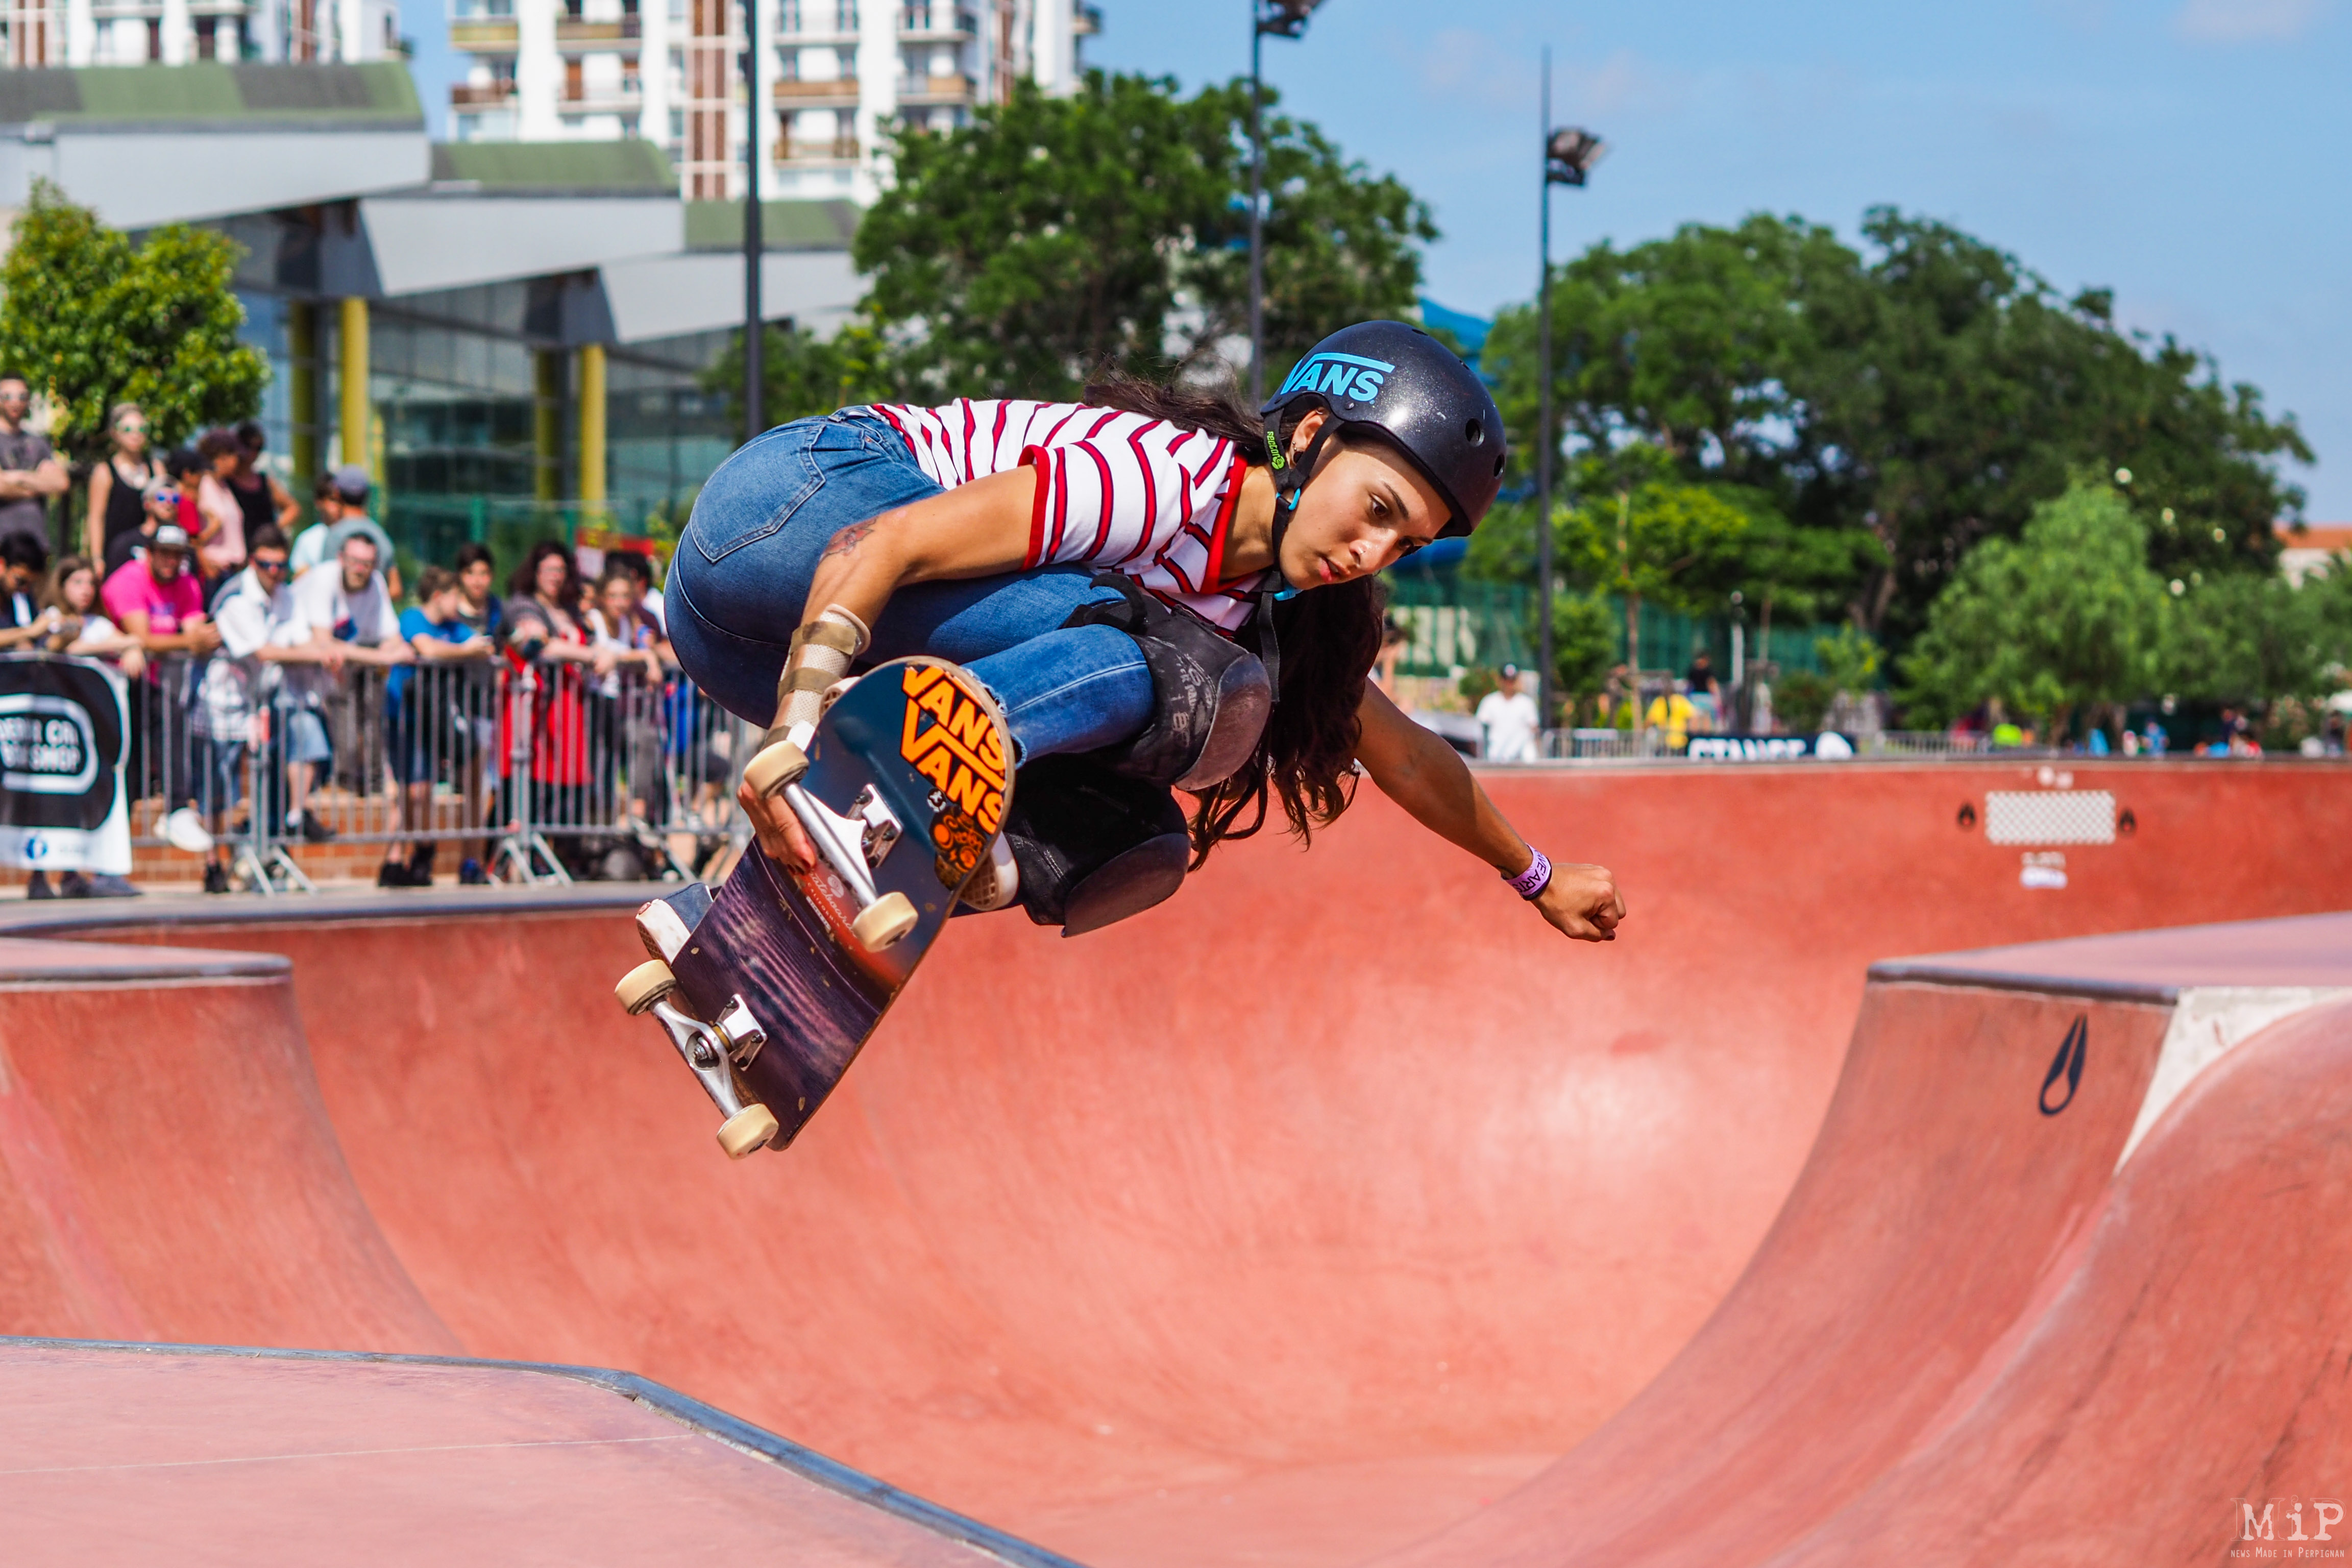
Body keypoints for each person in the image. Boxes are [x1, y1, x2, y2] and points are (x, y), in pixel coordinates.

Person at [668, 319, 1625, 942]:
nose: (1371, 552)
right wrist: (794, 738)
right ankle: (922, 773)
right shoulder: (1165, 477)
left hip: (733, 653)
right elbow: (883, 540)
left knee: (1136, 842)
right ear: (1307, 441)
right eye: (1375, 507)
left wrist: (1534, 875)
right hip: (782, 517)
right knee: (1198, 679)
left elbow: (1410, 759)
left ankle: (823, 896)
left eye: (1403, 543)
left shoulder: (1263, 617)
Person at [280, 531, 412, 842]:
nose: (360, 568)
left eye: (367, 563)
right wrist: (379, 655)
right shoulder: (323, 580)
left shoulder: (375, 584)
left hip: (322, 681)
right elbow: (324, 642)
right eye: (354, 561)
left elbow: (390, 635)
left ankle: (296, 818)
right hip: (289, 678)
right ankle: (290, 819)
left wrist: (395, 648)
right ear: (341, 559)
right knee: (307, 750)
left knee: (317, 749)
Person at [380, 564, 495, 886]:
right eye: (455, 596)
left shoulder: (452, 626)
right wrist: (462, 652)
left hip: (436, 719)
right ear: (440, 595)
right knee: (411, 792)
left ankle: (423, 855)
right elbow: (427, 648)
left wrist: (466, 649)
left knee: (425, 791)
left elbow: (483, 646)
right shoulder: (414, 618)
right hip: (405, 715)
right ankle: (405, 855)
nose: (459, 604)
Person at [291, 465, 402, 600]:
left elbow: (327, 585)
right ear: (367, 495)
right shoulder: (382, 537)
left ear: (337, 493)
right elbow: (396, 589)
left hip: (342, 619)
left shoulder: (336, 535)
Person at [83, 403, 166, 566]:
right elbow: (96, 518)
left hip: (149, 557)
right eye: (128, 430)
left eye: (141, 430)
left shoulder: (157, 468)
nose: (135, 435)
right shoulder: (105, 471)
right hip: (115, 555)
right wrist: (97, 558)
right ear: (115, 433)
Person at [0, 373, 68, 556]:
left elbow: (61, 483)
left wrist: (15, 478)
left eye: (22, 397)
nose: (15, 402)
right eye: (7, 396)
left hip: (36, 542)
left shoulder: (38, 442)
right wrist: (38, 482)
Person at [227, 420, 300, 542]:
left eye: (258, 448)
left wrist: (272, 531)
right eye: (248, 447)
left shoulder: (265, 481)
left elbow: (293, 508)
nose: (253, 453)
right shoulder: (226, 482)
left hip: (262, 549)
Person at [192, 428, 248, 581]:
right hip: (217, 573)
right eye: (235, 457)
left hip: (235, 571)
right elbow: (194, 533)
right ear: (221, 456)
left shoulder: (225, 487)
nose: (238, 462)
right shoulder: (202, 486)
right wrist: (206, 564)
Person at [1475, 663, 1541, 764]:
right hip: (1496, 752)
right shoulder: (1489, 701)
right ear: (1501, 680)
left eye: (1512, 681)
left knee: (1525, 735)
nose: (1509, 684)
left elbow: (1534, 728)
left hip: (1521, 754)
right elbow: (1481, 728)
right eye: (1507, 680)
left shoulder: (1526, 703)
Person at [1646, 680, 1699, 752]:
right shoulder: (1681, 700)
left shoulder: (1659, 702)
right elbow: (1694, 716)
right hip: (1680, 741)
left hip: (1664, 742)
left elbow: (1649, 722)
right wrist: (1691, 731)